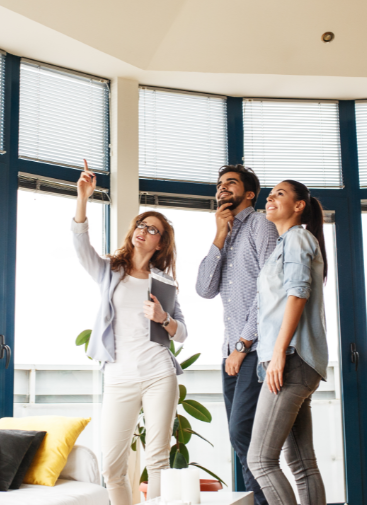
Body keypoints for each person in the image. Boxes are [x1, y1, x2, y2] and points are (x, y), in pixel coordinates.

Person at [72, 160, 188, 505]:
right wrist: (83, 198)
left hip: (158, 374)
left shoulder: (164, 281)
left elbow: (181, 333)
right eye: (141, 224)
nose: (143, 230)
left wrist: (164, 317)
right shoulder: (110, 270)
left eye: (152, 229)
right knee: (111, 466)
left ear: (160, 243)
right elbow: (81, 247)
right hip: (119, 376)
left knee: (157, 461)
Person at [196, 165, 278, 505]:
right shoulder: (225, 234)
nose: (222, 188)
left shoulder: (261, 224)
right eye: (219, 184)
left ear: (249, 194)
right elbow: (203, 288)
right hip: (231, 352)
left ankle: (268, 502)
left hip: (255, 350)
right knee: (244, 438)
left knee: (245, 433)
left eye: (230, 183)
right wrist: (218, 234)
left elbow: (272, 289)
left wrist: (244, 345)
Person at [246, 180, 329, 505]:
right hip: (298, 361)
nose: (270, 198)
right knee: (301, 463)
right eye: (270, 194)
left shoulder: (297, 238)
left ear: (298, 206)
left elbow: (298, 293)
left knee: (261, 460)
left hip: (291, 360)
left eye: (279, 194)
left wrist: (278, 353)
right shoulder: (287, 243)